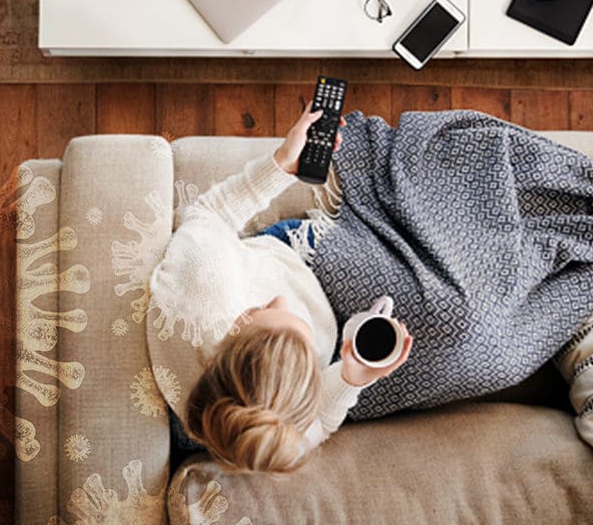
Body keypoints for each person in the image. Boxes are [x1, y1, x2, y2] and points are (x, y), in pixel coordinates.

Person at [147, 103, 593, 475]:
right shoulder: (277, 431)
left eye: (271, 308)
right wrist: (348, 375)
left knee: (456, 308)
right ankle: (575, 306)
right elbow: (319, 418)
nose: (281, 301)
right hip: (340, 348)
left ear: (241, 318)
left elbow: (213, 211)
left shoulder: (197, 287)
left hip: (299, 260)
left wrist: (280, 164)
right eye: (296, 327)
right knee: (484, 358)